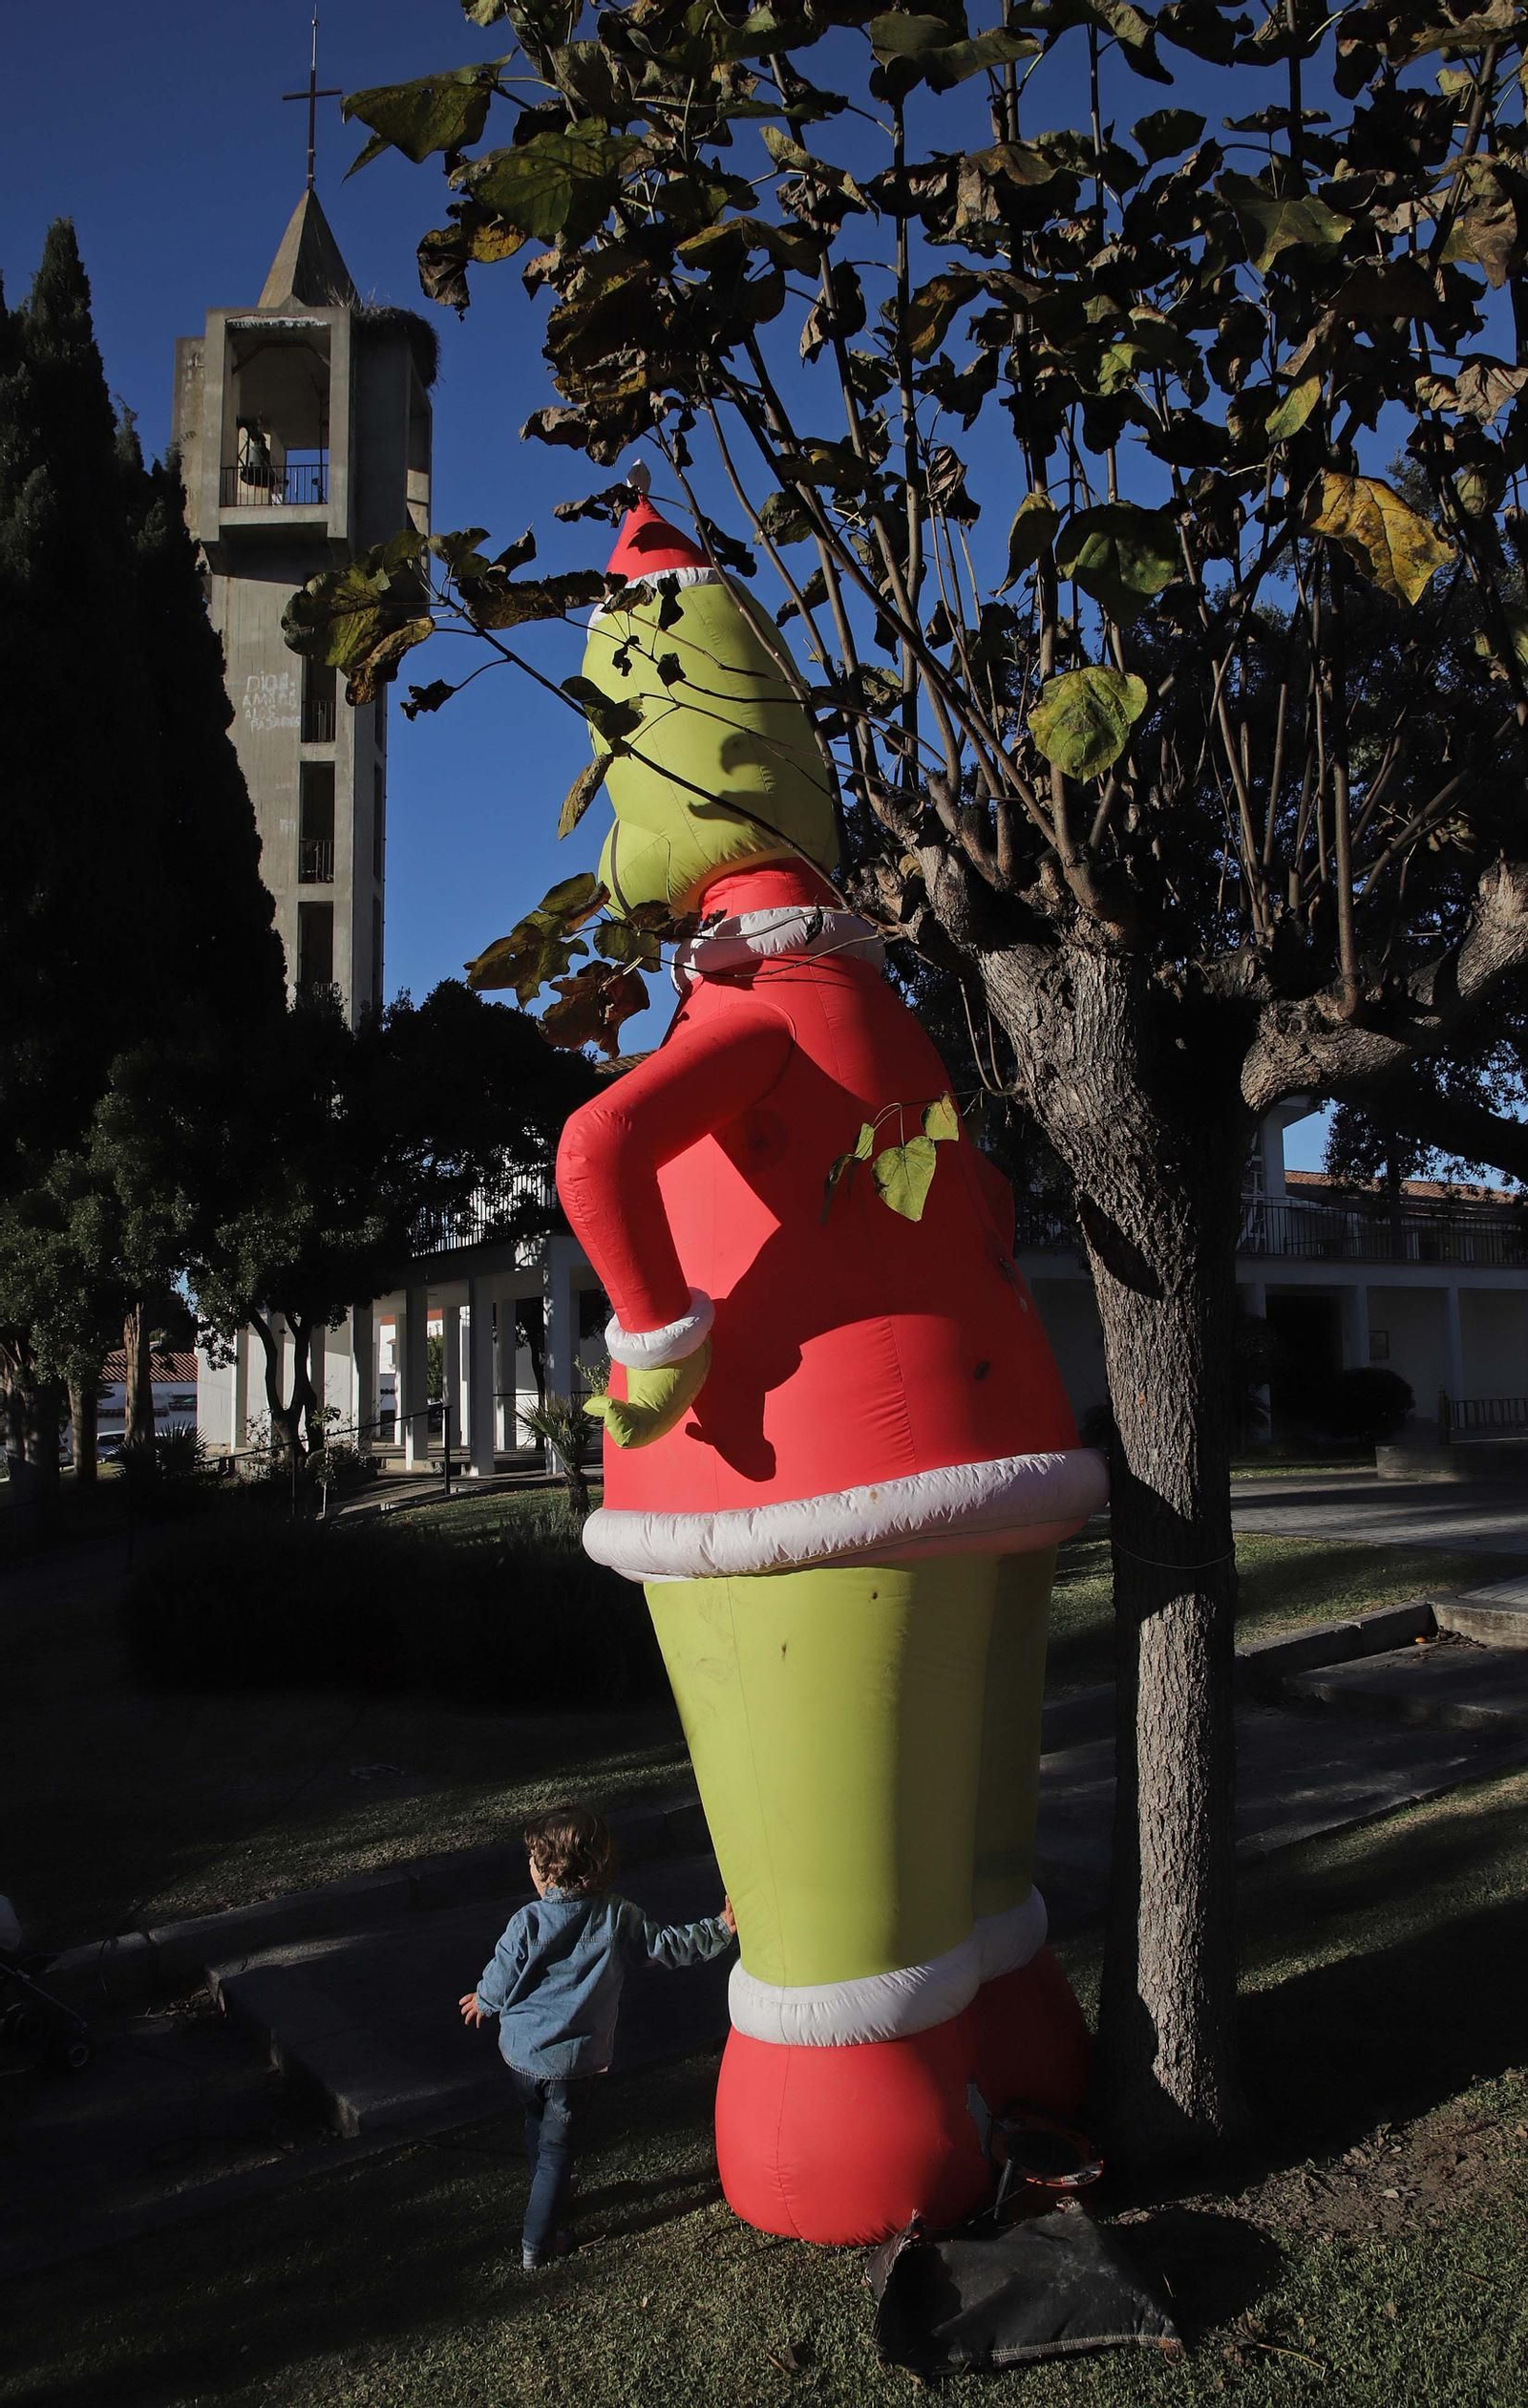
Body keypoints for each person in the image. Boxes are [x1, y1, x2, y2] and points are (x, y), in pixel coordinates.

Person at [460, 1803, 735, 2270]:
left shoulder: (526, 1921)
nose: (528, 1867)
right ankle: (540, 2236)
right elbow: (668, 1947)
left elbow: (501, 1972)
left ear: (550, 1871)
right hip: (573, 2066)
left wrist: (483, 2001)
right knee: (557, 2150)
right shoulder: (617, 1916)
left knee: (536, 2126)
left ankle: (540, 2224)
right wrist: (722, 1928)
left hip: (521, 2057)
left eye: (532, 1860)